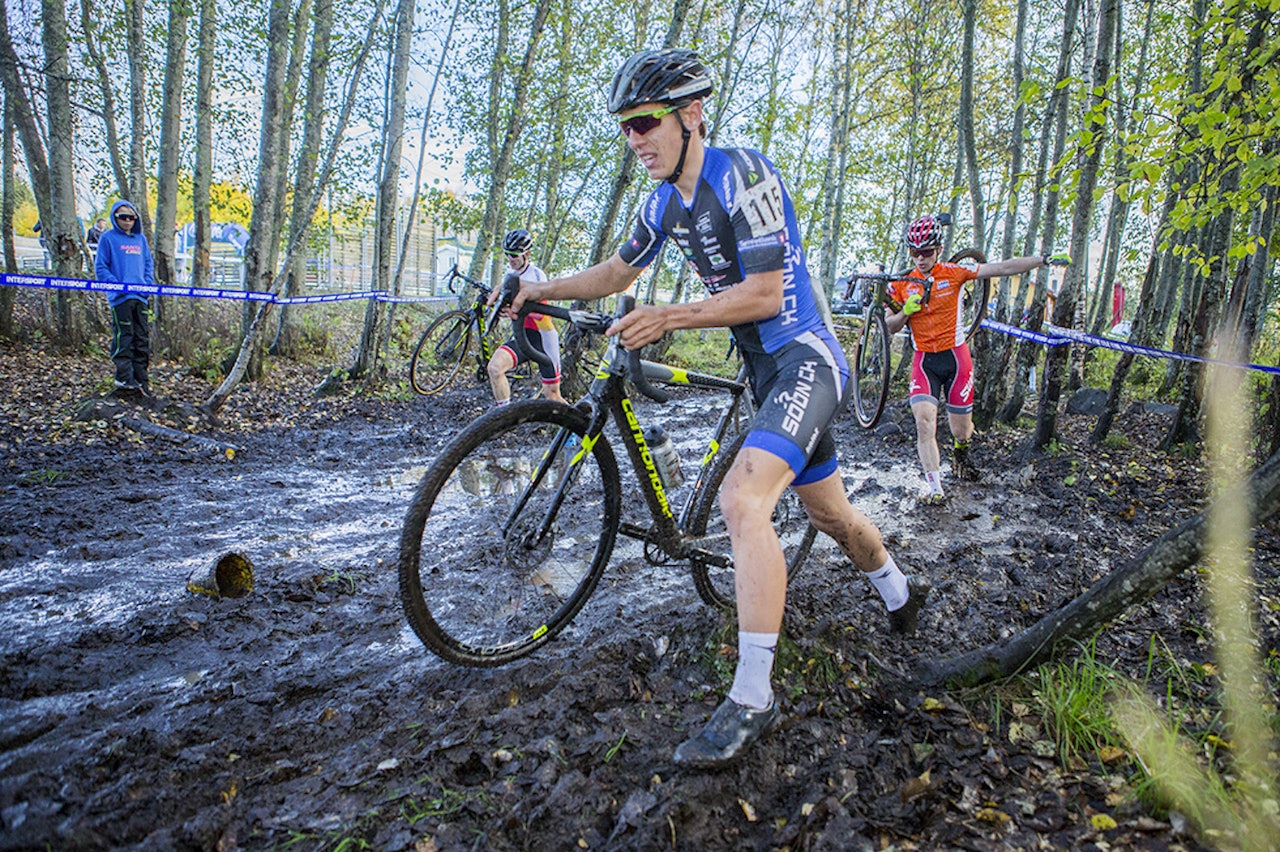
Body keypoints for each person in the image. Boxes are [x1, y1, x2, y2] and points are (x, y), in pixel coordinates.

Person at [499, 48, 926, 769]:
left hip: (806, 360)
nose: (634, 139)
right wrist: (545, 290)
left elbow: (762, 294)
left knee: (741, 502)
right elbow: (615, 272)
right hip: (766, 372)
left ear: (692, 115)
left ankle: (754, 697)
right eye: (625, 128)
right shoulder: (664, 200)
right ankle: (900, 592)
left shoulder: (745, 175)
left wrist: (669, 316)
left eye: (644, 122)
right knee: (831, 515)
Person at [885, 214, 1070, 501]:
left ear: (939, 250)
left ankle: (961, 452)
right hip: (924, 361)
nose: (920, 258)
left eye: (926, 252)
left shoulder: (955, 272)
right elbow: (889, 326)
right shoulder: (902, 282)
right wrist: (905, 311)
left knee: (961, 431)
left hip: (956, 359)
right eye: (914, 252)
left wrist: (1043, 260)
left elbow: (1005, 267)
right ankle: (936, 491)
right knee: (924, 422)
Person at [487, 229, 564, 405]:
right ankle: (505, 417)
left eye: (514, 255)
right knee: (494, 368)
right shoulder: (511, 276)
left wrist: (518, 310)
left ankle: (578, 429)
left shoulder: (537, 275)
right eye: (506, 254)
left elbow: (542, 314)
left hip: (543, 338)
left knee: (551, 395)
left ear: (527, 254)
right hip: (523, 336)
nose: (509, 259)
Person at [95, 201, 155, 395]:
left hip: (141, 297)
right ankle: (124, 377)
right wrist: (116, 286)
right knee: (124, 337)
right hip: (121, 298)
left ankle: (141, 379)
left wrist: (146, 286)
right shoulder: (108, 238)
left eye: (131, 217)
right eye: (123, 217)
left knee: (141, 337)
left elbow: (148, 264)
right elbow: (101, 267)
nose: (127, 221)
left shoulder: (140, 240)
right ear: (115, 218)